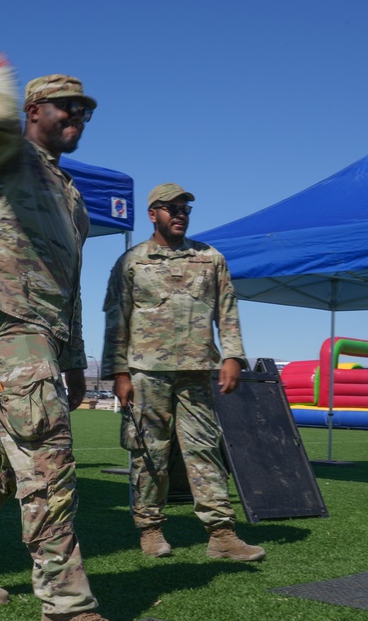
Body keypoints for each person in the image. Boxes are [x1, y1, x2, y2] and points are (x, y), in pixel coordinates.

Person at [0, 56, 140, 621]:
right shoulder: (11, 158)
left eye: (86, 109)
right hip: (0, 320)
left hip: (40, 329)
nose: (78, 115)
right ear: (34, 112)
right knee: (47, 450)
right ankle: (67, 611)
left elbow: (67, 283)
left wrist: (74, 359)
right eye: (67, 105)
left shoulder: (73, 198)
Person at [101, 183, 264, 562]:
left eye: (185, 209)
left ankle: (221, 534)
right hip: (146, 372)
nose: (180, 214)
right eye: (171, 208)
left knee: (204, 449)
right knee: (149, 452)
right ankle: (150, 529)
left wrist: (233, 357)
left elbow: (227, 310)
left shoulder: (210, 259)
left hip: (196, 370)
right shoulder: (131, 262)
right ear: (152, 214)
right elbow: (116, 320)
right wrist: (118, 373)